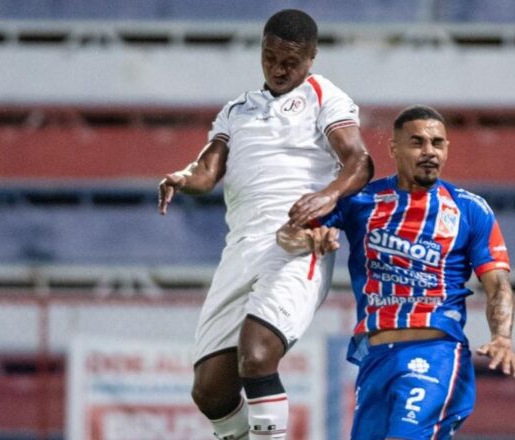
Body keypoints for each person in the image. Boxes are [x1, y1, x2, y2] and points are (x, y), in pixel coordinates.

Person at [158, 9, 373, 440]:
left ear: (311, 58)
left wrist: (328, 194)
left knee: (256, 356)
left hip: (298, 244)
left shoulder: (323, 96)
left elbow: (360, 162)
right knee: (211, 392)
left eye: (291, 61)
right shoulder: (237, 111)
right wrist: (183, 178)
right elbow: (206, 170)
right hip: (241, 249)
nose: (279, 68)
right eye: (270, 57)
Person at [278, 105, 515, 439]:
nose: (429, 152)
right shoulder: (359, 200)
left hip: (435, 353)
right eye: (418, 142)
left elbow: (497, 284)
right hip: (376, 359)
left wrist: (502, 337)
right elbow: (286, 235)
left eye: (437, 143)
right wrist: (308, 237)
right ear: (394, 149)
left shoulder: (469, 209)